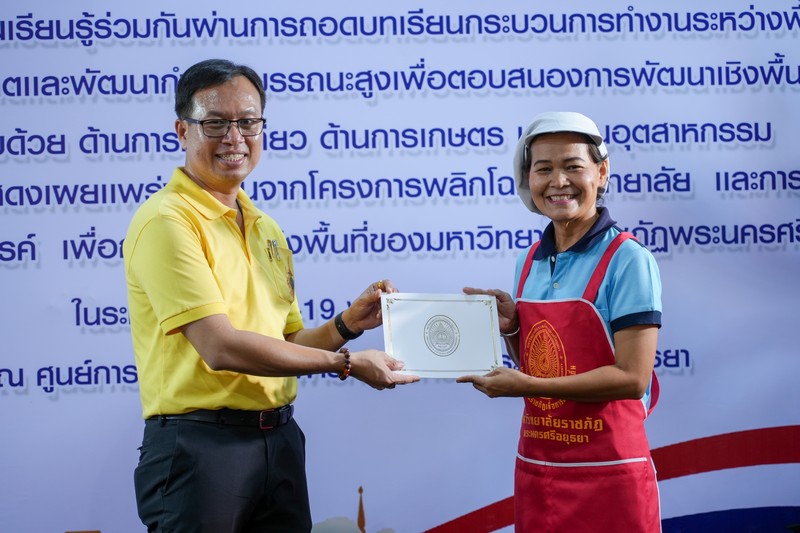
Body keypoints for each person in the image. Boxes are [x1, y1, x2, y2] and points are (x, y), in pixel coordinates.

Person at [123, 58, 418, 532]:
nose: (234, 137)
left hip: (279, 441)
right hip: (201, 449)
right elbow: (220, 347)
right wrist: (345, 363)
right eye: (215, 123)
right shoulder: (167, 221)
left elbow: (288, 342)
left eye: (248, 122)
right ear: (182, 130)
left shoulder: (266, 227)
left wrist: (347, 325)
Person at [457, 112, 663, 532]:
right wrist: (512, 328)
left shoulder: (628, 259)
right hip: (539, 470)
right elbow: (540, 365)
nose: (558, 181)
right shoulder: (529, 260)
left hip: (610, 473)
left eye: (572, 166)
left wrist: (529, 387)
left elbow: (632, 378)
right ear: (528, 179)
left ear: (601, 173)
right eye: (543, 169)